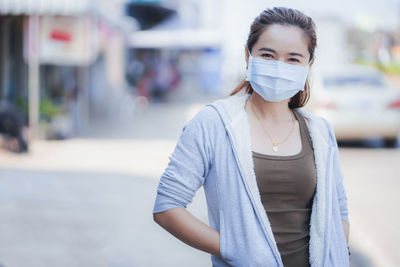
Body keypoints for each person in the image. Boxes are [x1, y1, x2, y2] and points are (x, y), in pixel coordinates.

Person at [152, 7, 350, 267]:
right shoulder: (213, 123)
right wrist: (233, 249)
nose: (279, 67)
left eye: (293, 59)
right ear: (248, 56)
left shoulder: (320, 131)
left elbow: (339, 210)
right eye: (268, 55)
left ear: (309, 64)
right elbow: (167, 207)